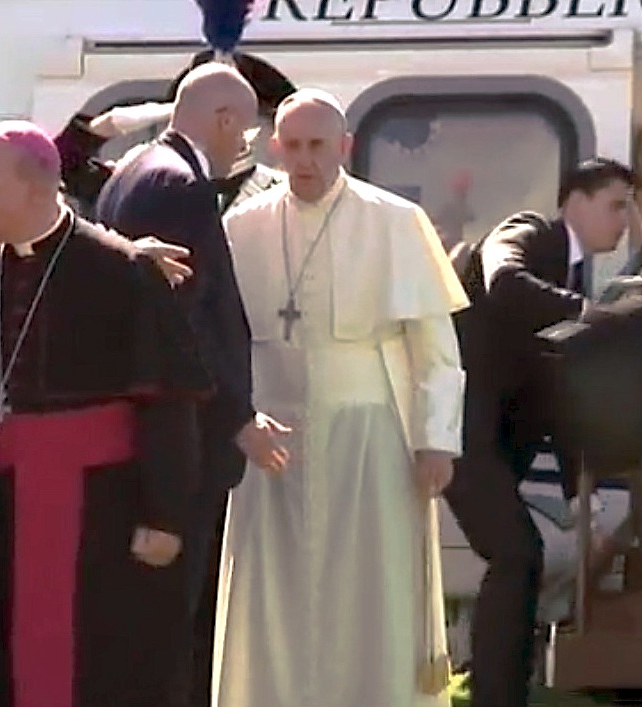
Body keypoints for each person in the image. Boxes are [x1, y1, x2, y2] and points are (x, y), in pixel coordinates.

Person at [0, 121, 212, 707]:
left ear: (33, 187)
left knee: (101, 669)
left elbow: (169, 408)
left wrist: (165, 514)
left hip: (104, 512)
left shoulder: (123, 272)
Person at [214, 88, 468, 707]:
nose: (305, 159)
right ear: (276, 147)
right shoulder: (240, 226)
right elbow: (222, 339)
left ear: (345, 146)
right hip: (272, 441)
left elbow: (435, 347)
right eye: (293, 145)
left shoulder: (394, 221)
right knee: (275, 594)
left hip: (369, 437)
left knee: (369, 591)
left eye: (318, 145)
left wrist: (436, 439)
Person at [95, 62, 290, 707]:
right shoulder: (180, 188)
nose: (247, 146)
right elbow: (183, 327)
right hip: (179, 442)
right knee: (175, 632)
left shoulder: (133, 170)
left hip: (143, 434)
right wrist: (237, 416)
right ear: (225, 119)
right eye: (246, 131)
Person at [445, 157, 634, 706]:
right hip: (463, 433)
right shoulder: (528, 232)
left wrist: (581, 499)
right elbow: (504, 281)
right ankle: (494, 693)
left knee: (519, 560)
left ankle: (501, 689)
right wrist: (589, 313)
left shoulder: (572, 274)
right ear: (575, 201)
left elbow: (557, 398)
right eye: (615, 206)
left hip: (492, 446)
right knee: (517, 555)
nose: (623, 222)